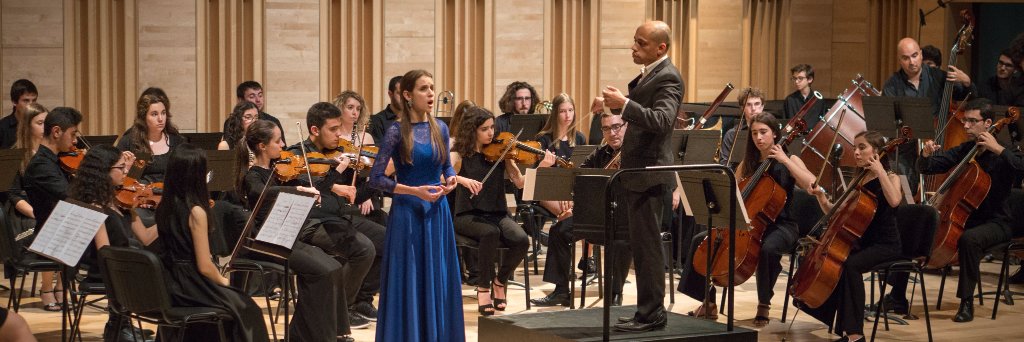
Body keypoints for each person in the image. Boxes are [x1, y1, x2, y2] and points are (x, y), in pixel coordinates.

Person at [677, 113, 815, 327]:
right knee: (700, 240)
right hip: (749, 224)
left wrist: (785, 160)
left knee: (768, 248)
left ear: (775, 133)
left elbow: (811, 184)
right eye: (754, 133)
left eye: (763, 132)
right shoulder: (749, 163)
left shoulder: (790, 159)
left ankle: (764, 303)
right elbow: (734, 192)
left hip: (782, 225)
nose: (759, 137)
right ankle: (708, 301)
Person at [598, 20, 683, 332]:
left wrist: (624, 105)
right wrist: (615, 105)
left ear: (661, 47)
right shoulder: (654, 73)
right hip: (637, 173)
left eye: (641, 43)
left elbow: (662, 121)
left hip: (650, 175)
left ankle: (653, 314)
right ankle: (644, 312)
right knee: (640, 246)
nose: (633, 47)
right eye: (634, 41)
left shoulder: (670, 77)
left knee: (647, 249)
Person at [239, 119, 356, 341]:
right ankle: (310, 335)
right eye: (278, 140)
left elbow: (315, 184)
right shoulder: (253, 175)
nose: (283, 144)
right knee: (321, 271)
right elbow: (260, 192)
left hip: (287, 235)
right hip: (267, 239)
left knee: (334, 267)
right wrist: (298, 189)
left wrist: (331, 173)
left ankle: (332, 332)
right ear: (262, 146)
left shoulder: (279, 169)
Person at [368, 69, 462, 341]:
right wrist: (413, 191)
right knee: (410, 278)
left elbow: (445, 165)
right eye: (424, 89)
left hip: (437, 212)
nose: (431, 94)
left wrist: (452, 178)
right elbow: (376, 179)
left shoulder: (440, 128)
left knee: (438, 277)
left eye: (432, 87)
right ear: (408, 95)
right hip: (408, 213)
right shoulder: (396, 131)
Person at [916, 98, 1017, 322]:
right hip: (967, 218)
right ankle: (897, 297)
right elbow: (929, 167)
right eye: (965, 121)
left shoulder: (1004, 154)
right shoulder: (967, 149)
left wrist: (998, 149)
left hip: (997, 222)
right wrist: (925, 155)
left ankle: (966, 303)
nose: (966, 126)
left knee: (969, 240)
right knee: (918, 227)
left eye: (972, 121)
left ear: (988, 122)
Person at [154, 144, 269, 341]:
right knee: (248, 308)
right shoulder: (196, 212)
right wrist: (225, 283)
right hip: (190, 285)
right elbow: (205, 266)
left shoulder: (165, 206)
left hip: (169, 283)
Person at [800, 130, 903, 342]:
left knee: (850, 265)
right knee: (835, 262)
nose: (856, 152)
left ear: (877, 151)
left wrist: (880, 171)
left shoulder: (892, 177)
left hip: (886, 244)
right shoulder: (860, 179)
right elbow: (835, 212)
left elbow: (894, 201)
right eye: (855, 147)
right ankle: (842, 327)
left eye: (862, 147)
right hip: (863, 242)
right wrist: (820, 195)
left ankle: (855, 335)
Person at [287, 100, 383, 327]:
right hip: (311, 222)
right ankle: (341, 309)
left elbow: (356, 198)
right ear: (314, 130)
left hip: (339, 217)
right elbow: (316, 190)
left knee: (389, 241)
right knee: (363, 248)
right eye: (333, 129)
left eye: (339, 128)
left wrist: (377, 180)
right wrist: (336, 169)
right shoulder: (297, 156)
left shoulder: (339, 154)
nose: (339, 135)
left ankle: (358, 300)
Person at [530, 112, 633, 307]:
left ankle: (615, 293)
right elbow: (580, 180)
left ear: (627, 126)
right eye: (606, 128)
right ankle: (561, 291)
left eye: (616, 127)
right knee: (559, 231)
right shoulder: (600, 154)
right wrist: (576, 206)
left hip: (625, 218)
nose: (612, 133)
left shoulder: (635, 154)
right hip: (596, 217)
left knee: (621, 239)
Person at [68, 145, 158, 341]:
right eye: (121, 167)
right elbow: (105, 255)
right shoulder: (95, 207)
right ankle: (119, 326)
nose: (126, 171)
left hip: (124, 265)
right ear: (104, 173)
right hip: (107, 271)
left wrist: (171, 215)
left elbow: (146, 237)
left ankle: (119, 325)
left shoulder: (120, 201)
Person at [450, 106, 529, 315]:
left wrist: (541, 168)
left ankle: (499, 281)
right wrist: (463, 180)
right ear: (472, 130)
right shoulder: (461, 154)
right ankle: (483, 287)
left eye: (492, 127)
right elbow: (442, 177)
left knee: (522, 240)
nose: (491, 132)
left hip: (497, 213)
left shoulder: (501, 152)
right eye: (485, 128)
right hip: (467, 215)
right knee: (489, 233)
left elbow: (519, 183)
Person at [5, 103, 62, 312]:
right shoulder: (17, 155)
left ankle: (61, 286)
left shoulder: (54, 155)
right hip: (23, 220)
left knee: (63, 222)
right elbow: (12, 196)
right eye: (40, 123)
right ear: (27, 127)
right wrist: (36, 211)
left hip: (46, 213)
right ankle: (46, 288)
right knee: (48, 223)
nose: (45, 127)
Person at [116, 93, 186, 184]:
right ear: (143, 117)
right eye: (154, 114)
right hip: (139, 196)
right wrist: (127, 168)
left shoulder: (176, 141)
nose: (160, 119)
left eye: (163, 113)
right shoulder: (129, 141)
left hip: (169, 195)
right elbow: (119, 180)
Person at [718, 87, 765, 168]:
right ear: (742, 108)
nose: (753, 109)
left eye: (757, 104)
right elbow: (724, 165)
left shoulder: (771, 132)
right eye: (748, 104)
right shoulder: (732, 135)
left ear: (762, 106)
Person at [782, 64, 825, 130]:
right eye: (794, 78)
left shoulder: (819, 100)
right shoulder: (789, 100)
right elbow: (785, 124)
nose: (796, 81)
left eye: (800, 78)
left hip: (812, 138)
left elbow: (822, 124)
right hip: (794, 138)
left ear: (810, 79)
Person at [0, 79, 38, 149]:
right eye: (26, 100)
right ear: (14, 102)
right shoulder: (2, 127)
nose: (31, 105)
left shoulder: (41, 125)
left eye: (34, 100)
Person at [368, 75, 404, 144]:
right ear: (390, 94)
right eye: (400, 93)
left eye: (406, 94)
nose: (404, 98)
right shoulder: (376, 121)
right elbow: (378, 151)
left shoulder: (413, 119)